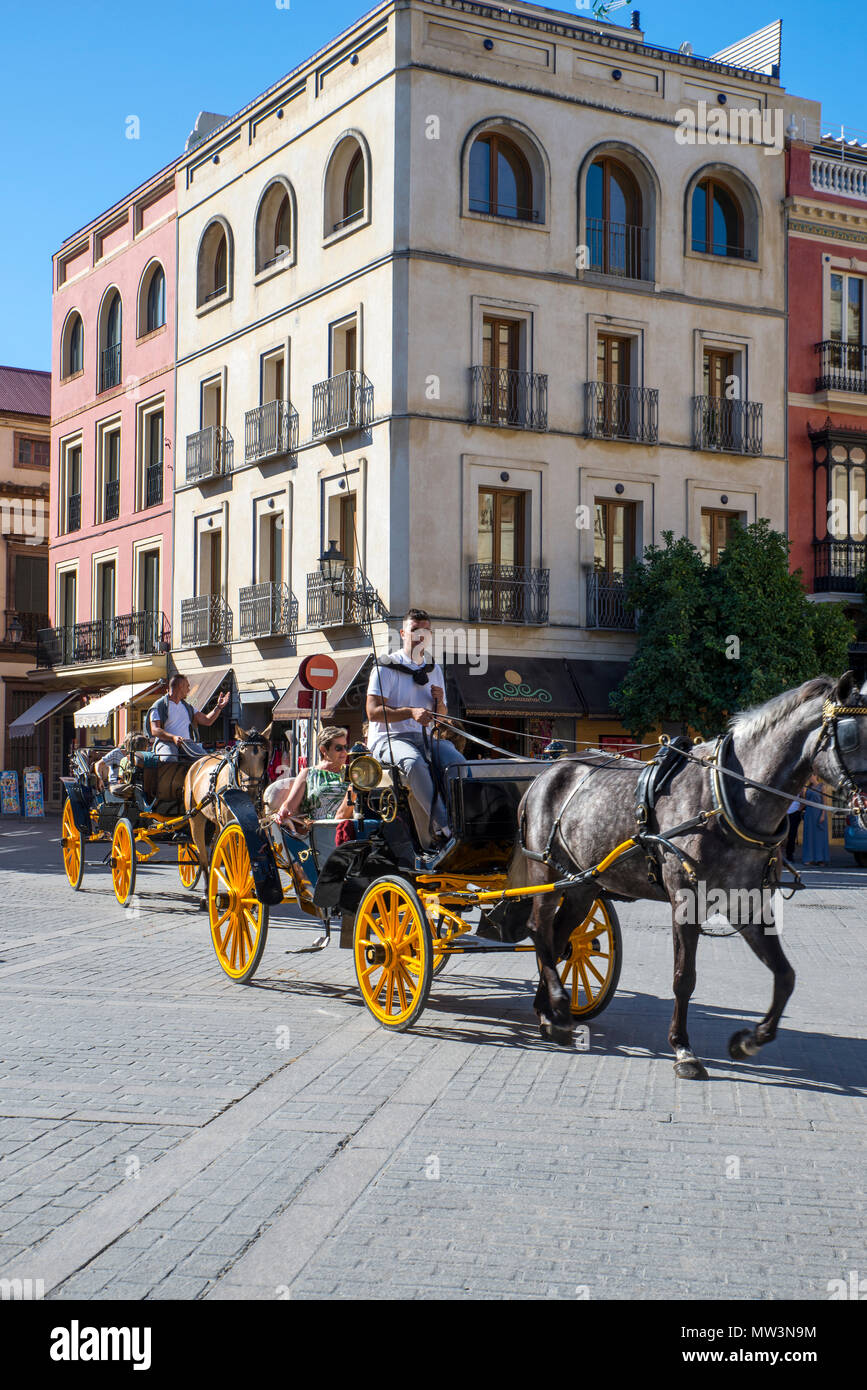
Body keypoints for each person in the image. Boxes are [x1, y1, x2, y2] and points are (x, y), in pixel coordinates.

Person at [365, 608, 466, 843]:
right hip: (388, 739)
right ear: (403, 633)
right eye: (415, 630)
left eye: (426, 631)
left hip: (425, 738)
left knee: (457, 761)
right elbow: (372, 713)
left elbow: (441, 716)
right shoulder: (386, 667)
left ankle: (461, 819)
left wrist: (440, 702)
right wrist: (410, 712)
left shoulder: (434, 669)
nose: (421, 636)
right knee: (413, 762)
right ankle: (443, 825)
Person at [271, 726, 353, 830]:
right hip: (318, 833)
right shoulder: (308, 774)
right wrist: (282, 812)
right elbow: (289, 806)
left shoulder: (352, 773)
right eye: (339, 748)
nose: (345, 752)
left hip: (348, 831)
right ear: (323, 750)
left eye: (345, 747)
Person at [149, 675, 229, 761]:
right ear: (180, 686)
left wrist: (219, 707)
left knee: (206, 760)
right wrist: (173, 738)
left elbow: (207, 720)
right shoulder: (159, 705)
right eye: (187, 686)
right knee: (169, 759)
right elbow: (155, 730)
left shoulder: (187, 707)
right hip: (166, 742)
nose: (188, 690)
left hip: (186, 743)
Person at [801, 776, 830, 866]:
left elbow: (824, 803)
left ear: (816, 776)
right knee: (809, 836)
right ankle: (809, 858)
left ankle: (820, 859)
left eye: (811, 775)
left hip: (819, 813)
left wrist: (823, 814)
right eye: (809, 776)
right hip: (809, 814)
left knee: (819, 837)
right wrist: (802, 792)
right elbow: (804, 801)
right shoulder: (808, 787)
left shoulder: (822, 786)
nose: (810, 777)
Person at [785, 786, 806, 860]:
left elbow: (803, 802)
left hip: (794, 813)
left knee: (792, 835)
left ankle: (789, 855)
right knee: (780, 835)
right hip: (783, 813)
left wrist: (798, 810)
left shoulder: (801, 787)